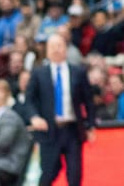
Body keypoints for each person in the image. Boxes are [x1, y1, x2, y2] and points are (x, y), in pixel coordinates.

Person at [25, 33, 96, 186]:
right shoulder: (39, 73)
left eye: (59, 46)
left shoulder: (78, 71)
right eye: (52, 47)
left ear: (65, 48)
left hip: (72, 130)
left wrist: (90, 125)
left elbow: (88, 101)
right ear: (47, 50)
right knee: (48, 174)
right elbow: (29, 100)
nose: (56, 50)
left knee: (75, 175)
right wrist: (34, 117)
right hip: (50, 131)